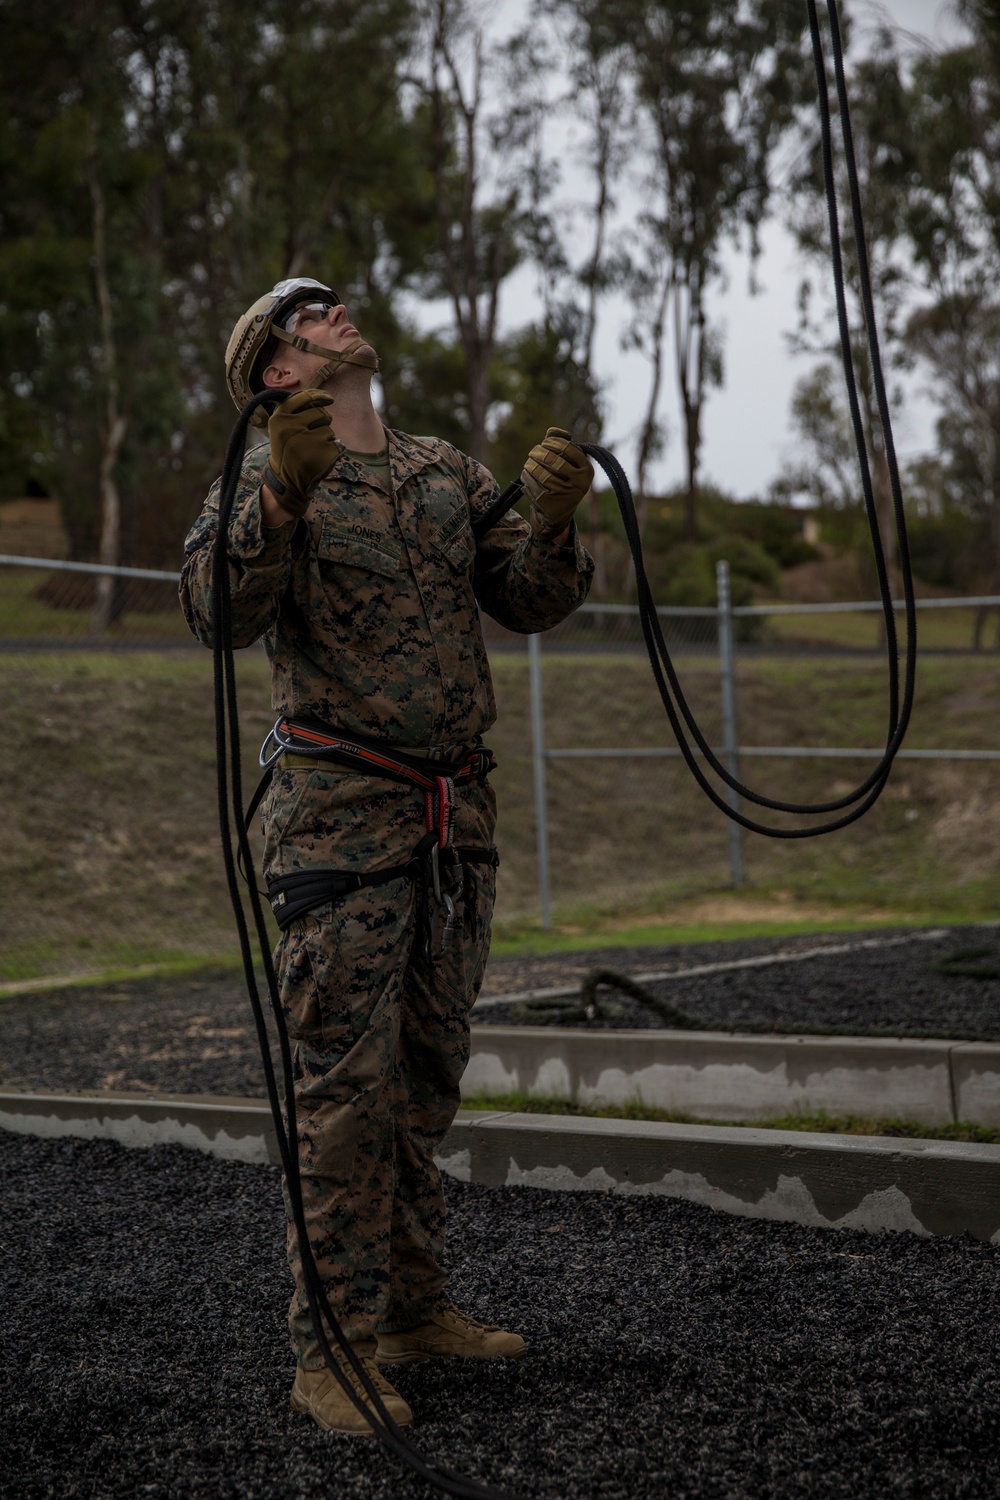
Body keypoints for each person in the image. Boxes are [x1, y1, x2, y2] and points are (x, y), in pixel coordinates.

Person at [180, 277, 595, 1436]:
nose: (337, 310)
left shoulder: (442, 470)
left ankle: (414, 1308)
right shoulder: (261, 478)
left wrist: (555, 523)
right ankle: (334, 1352)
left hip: (450, 824)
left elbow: (527, 598)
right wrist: (279, 493)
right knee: (345, 1097)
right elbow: (215, 614)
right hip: (341, 829)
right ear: (276, 370)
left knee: (423, 1080)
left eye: (333, 301)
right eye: (310, 313)